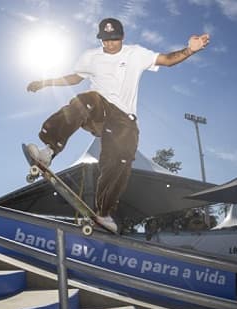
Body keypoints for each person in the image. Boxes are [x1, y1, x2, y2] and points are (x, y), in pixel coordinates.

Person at [25, 18, 210, 233]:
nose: (109, 45)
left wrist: (190, 50)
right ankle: (48, 151)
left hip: (125, 121)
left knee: (119, 163)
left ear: (122, 37)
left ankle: (103, 212)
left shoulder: (136, 54)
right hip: (100, 112)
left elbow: (167, 60)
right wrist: (45, 82)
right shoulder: (90, 57)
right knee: (87, 99)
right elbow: (74, 78)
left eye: (113, 40)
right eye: (104, 40)